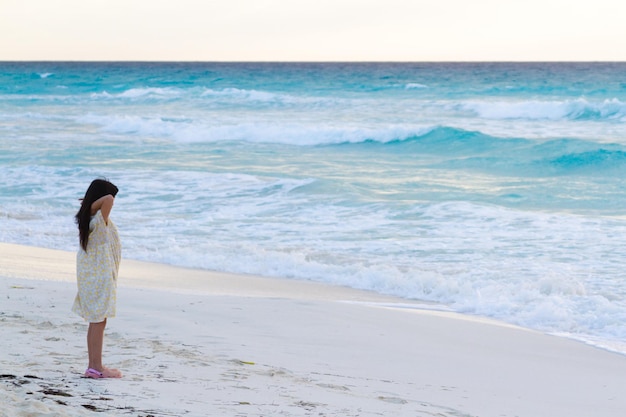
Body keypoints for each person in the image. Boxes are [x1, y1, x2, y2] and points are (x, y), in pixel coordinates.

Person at [72, 179, 122, 379]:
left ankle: (94, 365)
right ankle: (96, 367)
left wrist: (88, 204)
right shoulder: (97, 219)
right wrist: (90, 204)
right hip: (99, 274)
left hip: (92, 273)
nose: (112, 202)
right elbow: (109, 198)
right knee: (98, 321)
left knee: (96, 321)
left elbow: (106, 198)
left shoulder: (89, 218)